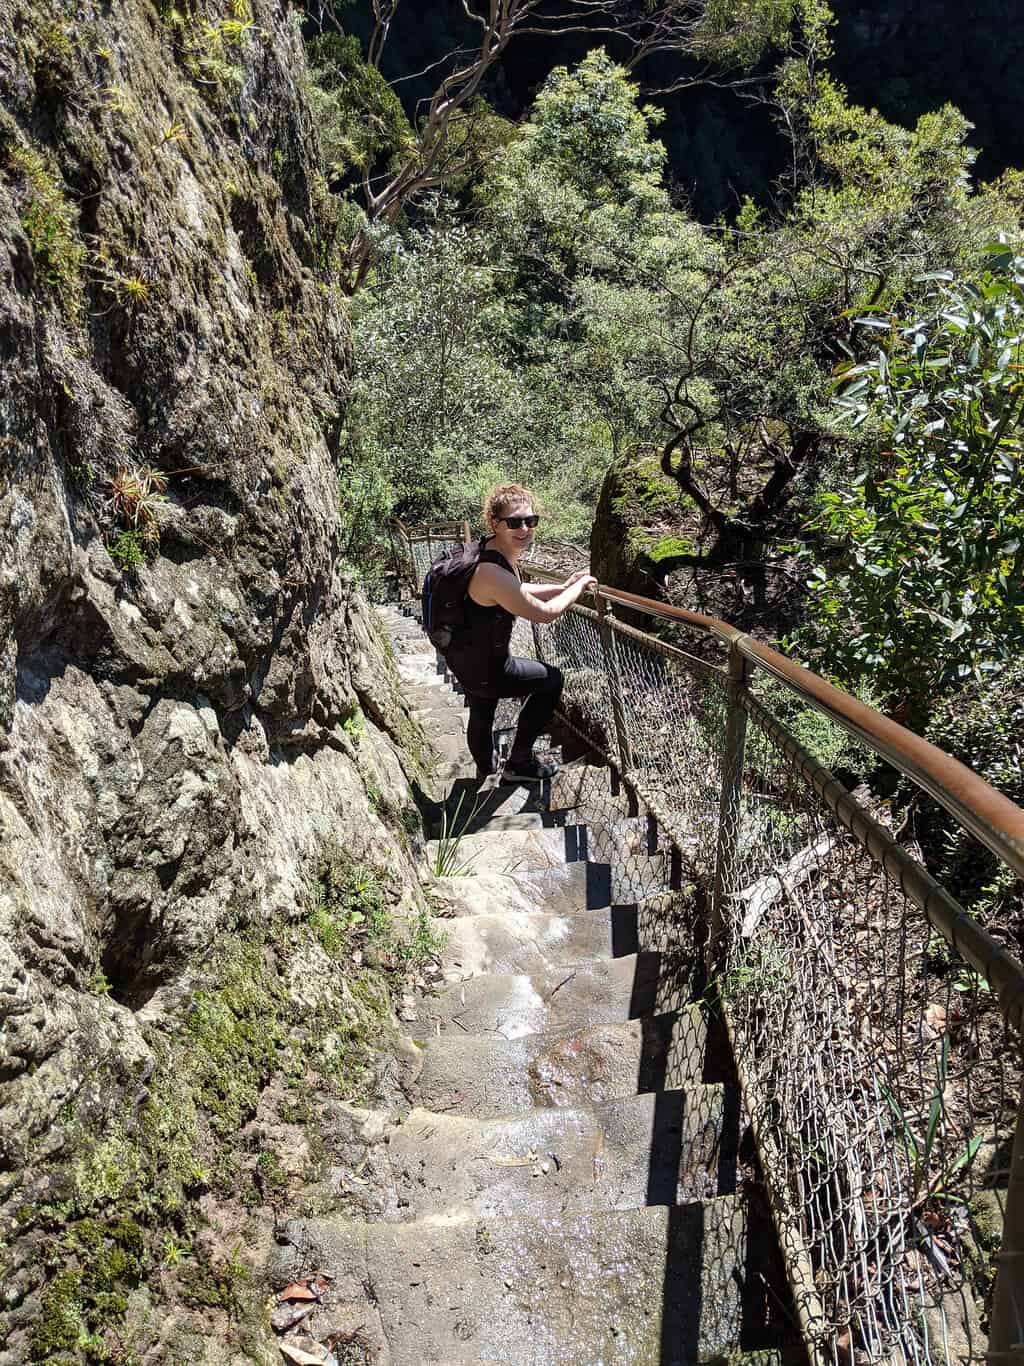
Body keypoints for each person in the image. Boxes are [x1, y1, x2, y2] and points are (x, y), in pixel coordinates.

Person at [445, 483, 597, 782]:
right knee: (552, 680)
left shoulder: (486, 551)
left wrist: (562, 586)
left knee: (481, 708)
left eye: (531, 521)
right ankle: (519, 761)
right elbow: (544, 615)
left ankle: (486, 772)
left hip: (463, 656)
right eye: (514, 522)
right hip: (489, 666)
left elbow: (516, 590)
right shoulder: (492, 571)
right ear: (494, 523)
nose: (525, 528)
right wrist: (579, 588)